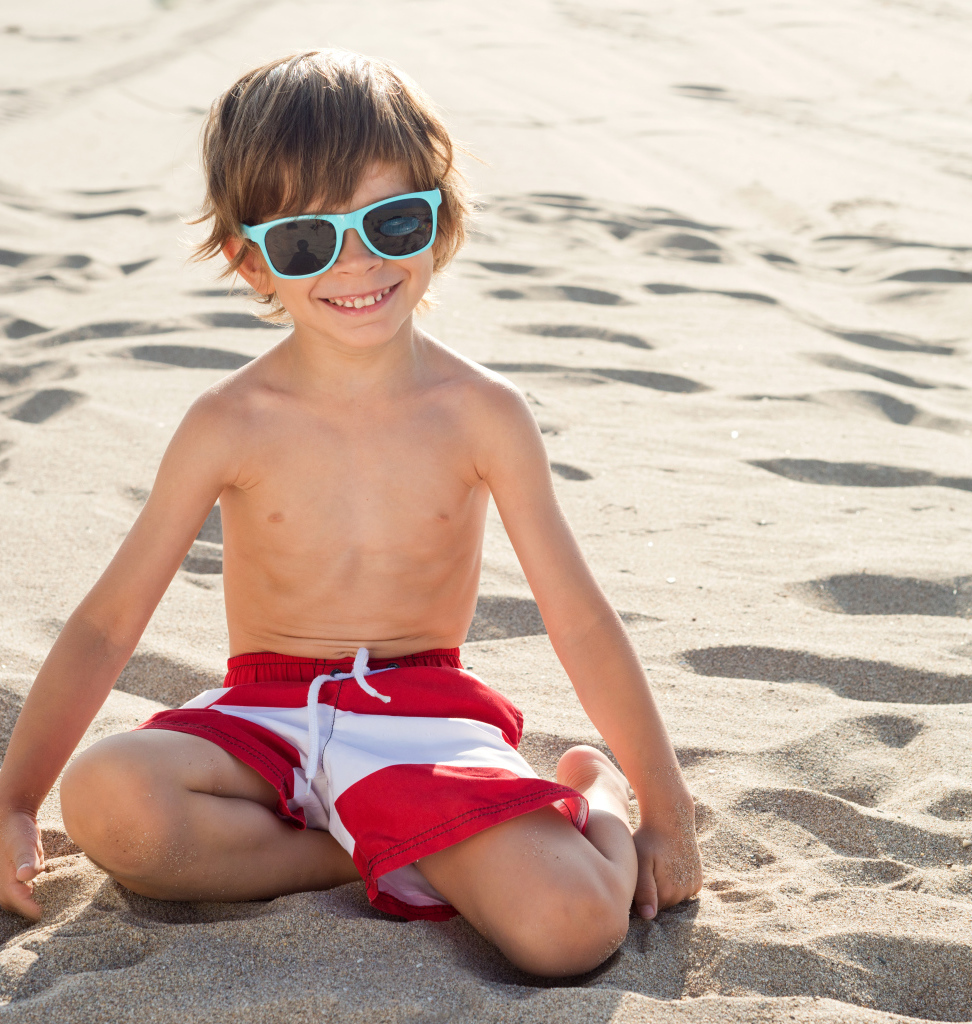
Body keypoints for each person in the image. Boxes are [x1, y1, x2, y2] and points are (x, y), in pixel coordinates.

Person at [0, 50, 701, 977]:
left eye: (392, 221)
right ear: (252, 260)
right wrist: (15, 800)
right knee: (110, 800)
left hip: (422, 721)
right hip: (265, 719)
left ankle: (588, 798)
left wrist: (665, 810)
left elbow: (578, 617)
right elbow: (104, 623)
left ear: (439, 223)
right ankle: (380, 849)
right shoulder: (228, 422)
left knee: (571, 929)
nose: (357, 263)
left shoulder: (483, 414)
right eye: (306, 241)